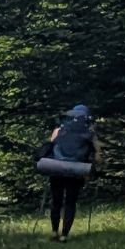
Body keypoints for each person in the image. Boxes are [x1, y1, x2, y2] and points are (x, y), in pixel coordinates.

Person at [41, 103, 97, 240]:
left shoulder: (59, 129)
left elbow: (50, 144)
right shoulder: (89, 133)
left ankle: (54, 232)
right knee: (70, 202)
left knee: (56, 201)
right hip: (76, 170)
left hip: (57, 168)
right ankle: (64, 235)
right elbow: (97, 155)